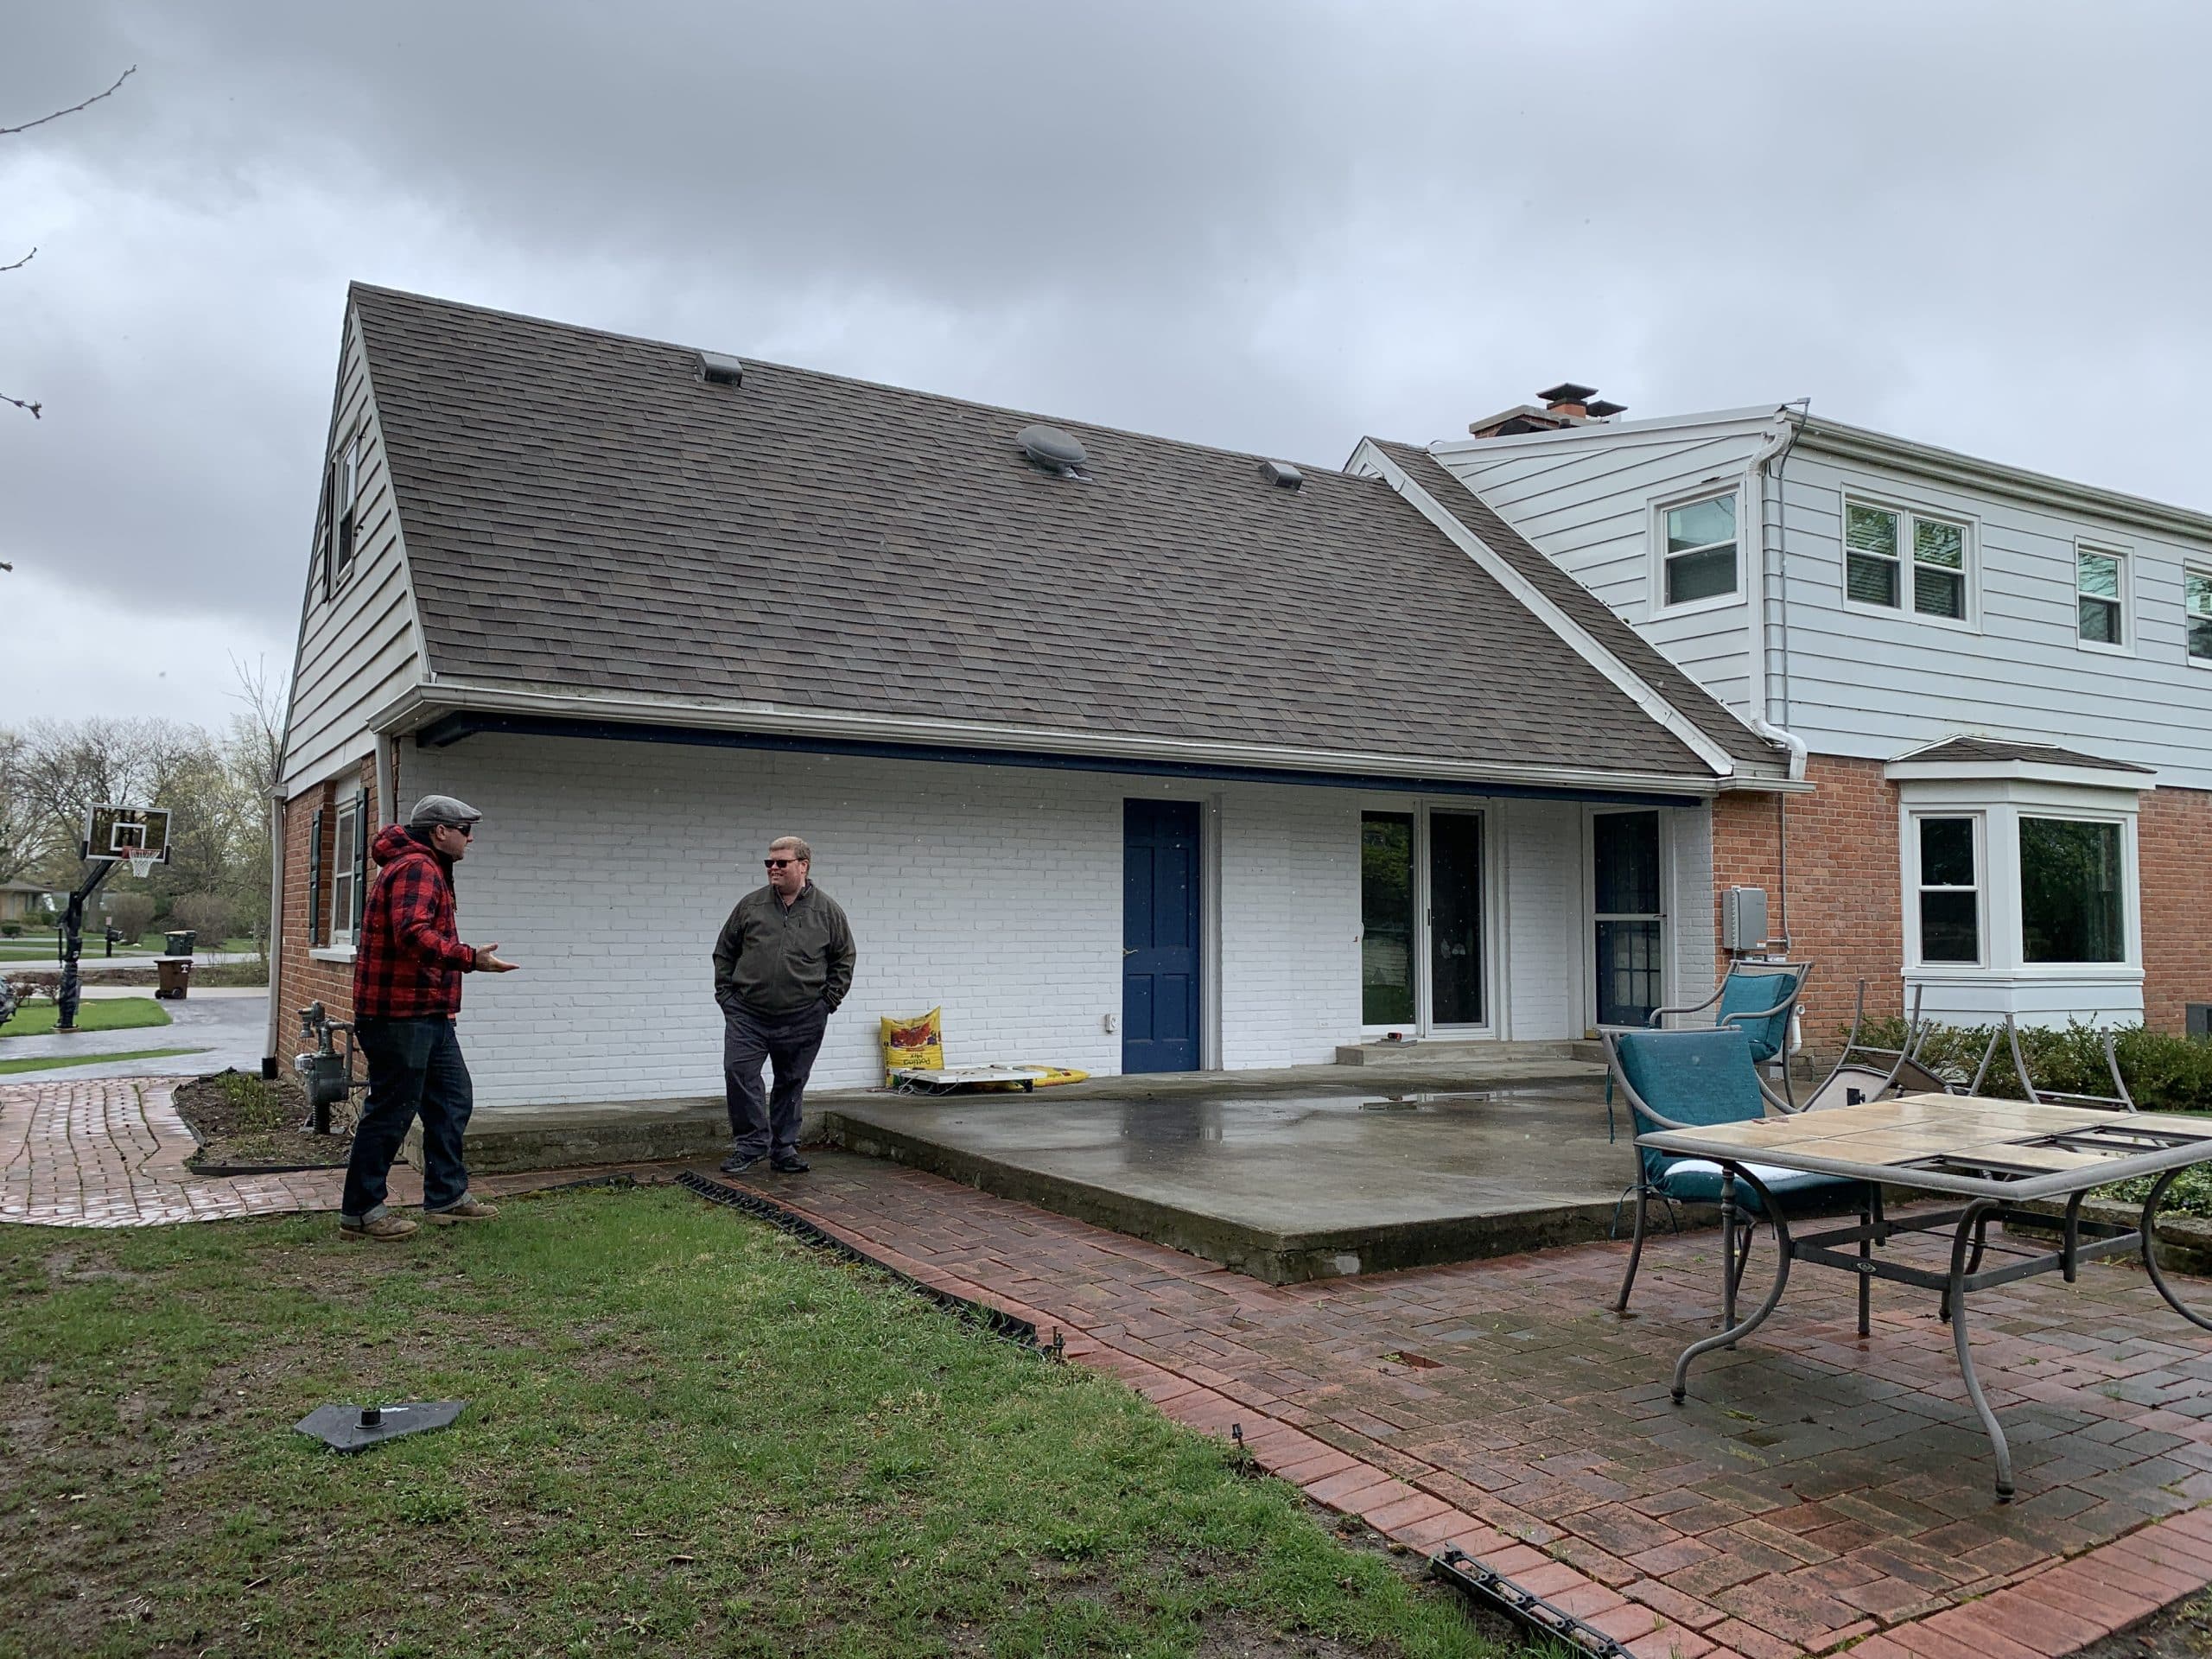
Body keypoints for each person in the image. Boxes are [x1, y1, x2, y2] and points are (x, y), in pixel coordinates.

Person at [340, 793, 518, 1241]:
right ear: (440, 832)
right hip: (399, 1016)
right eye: (465, 830)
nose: (470, 838)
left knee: (451, 1099)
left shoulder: (424, 865)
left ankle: (447, 1198)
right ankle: (361, 1213)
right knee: (391, 1110)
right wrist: (468, 958)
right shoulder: (417, 867)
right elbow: (413, 935)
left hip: (428, 1013)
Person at [712, 835, 855, 1175]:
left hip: (803, 1016)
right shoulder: (751, 906)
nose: (773, 868)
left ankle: (784, 1148)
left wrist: (827, 1003)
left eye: (781, 863)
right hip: (748, 1014)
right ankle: (750, 1145)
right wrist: (727, 998)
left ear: (803, 866)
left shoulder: (827, 911)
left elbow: (843, 959)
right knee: (739, 1072)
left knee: (791, 1081)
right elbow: (724, 952)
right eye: (769, 863)